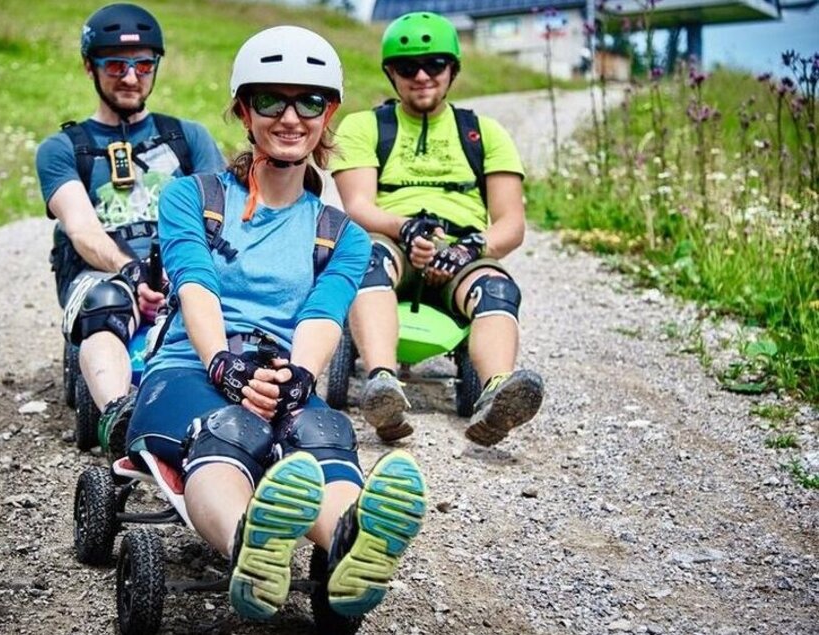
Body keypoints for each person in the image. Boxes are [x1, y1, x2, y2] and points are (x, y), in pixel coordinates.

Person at [124, 26, 428, 621]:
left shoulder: (343, 234)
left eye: (309, 101)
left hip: (280, 369)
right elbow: (194, 284)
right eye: (271, 100)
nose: (290, 117)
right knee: (230, 428)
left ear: (329, 114)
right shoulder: (193, 197)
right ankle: (250, 547)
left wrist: (298, 380)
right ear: (243, 110)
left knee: (324, 437)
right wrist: (222, 364)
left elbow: (322, 316)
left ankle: (351, 546)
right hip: (189, 369)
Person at [330, 11, 544, 446]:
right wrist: (404, 229)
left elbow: (512, 223)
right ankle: (382, 384)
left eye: (435, 65)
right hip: (391, 242)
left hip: (460, 249)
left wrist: (469, 248)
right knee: (365, 260)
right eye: (408, 68)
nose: (422, 76)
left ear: (453, 70)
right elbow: (357, 205)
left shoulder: (484, 134)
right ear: (391, 73)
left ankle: (497, 391)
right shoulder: (364, 127)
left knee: (499, 289)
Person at [35, 3, 226, 452]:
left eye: (143, 64)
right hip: (104, 275)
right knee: (104, 303)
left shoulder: (188, 137)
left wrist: (184, 273)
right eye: (116, 65)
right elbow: (81, 231)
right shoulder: (64, 148)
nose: (130, 76)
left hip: (180, 267)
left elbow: (220, 217)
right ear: (90, 67)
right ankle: (119, 414)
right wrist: (131, 272)